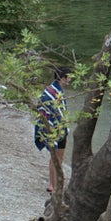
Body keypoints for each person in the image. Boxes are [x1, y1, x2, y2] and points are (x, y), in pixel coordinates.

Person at [33, 67, 70, 199]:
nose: (70, 80)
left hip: (61, 129)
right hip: (53, 129)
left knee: (59, 158)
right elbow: (43, 110)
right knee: (55, 158)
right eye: (68, 77)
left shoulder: (59, 91)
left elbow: (61, 111)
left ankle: (54, 185)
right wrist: (50, 127)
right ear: (62, 77)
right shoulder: (49, 92)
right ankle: (53, 186)